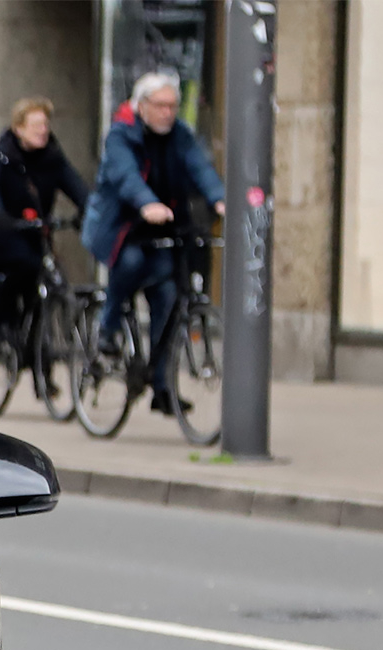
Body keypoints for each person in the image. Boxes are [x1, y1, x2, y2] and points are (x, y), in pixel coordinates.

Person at [81, 70, 225, 416]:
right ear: (142, 105)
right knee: (130, 264)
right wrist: (146, 203)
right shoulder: (120, 134)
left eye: (173, 106)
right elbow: (125, 175)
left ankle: (162, 388)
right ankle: (108, 328)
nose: (168, 113)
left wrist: (219, 198)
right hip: (122, 227)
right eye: (160, 105)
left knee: (169, 298)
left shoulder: (180, 135)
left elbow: (199, 167)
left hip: (163, 227)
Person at [0, 97, 90, 347]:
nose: (42, 131)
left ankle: (41, 364)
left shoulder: (53, 158)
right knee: (25, 267)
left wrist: (89, 210)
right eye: (36, 125)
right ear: (19, 129)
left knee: (43, 281)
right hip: (2, 233)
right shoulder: (2, 157)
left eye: (45, 125)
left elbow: (76, 187)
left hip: (35, 233)